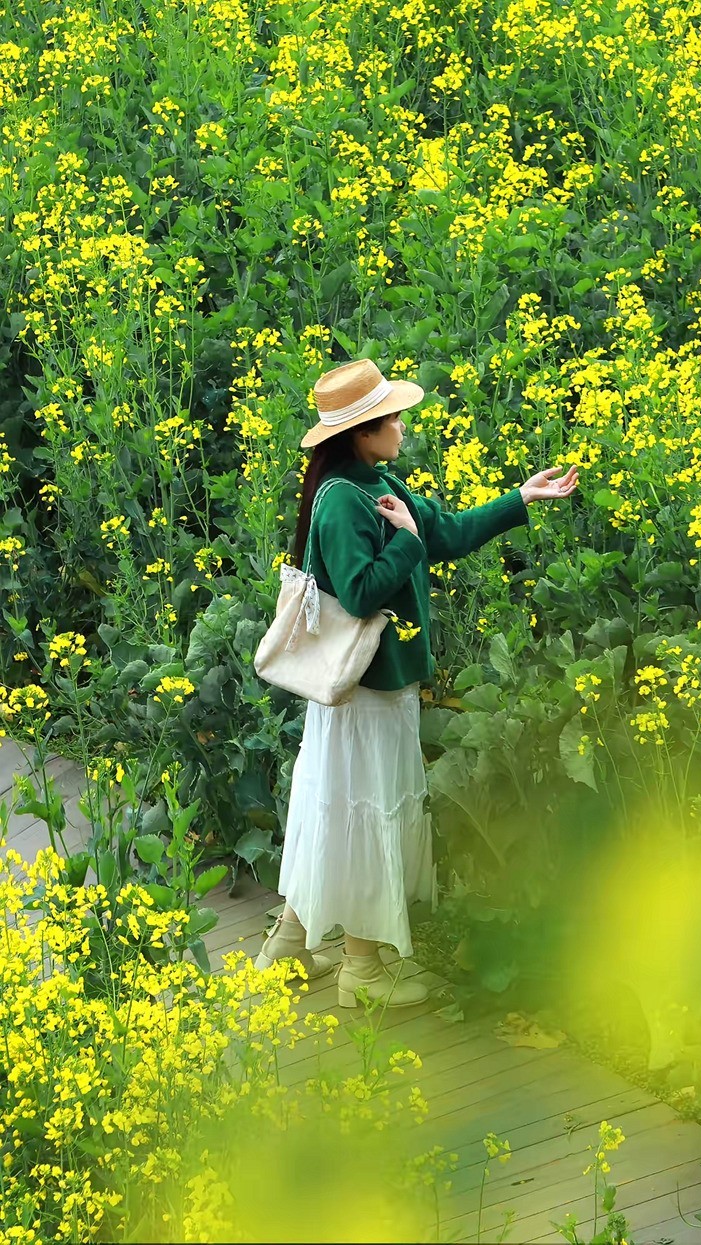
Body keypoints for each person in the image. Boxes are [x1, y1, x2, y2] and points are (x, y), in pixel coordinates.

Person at [255, 357, 579, 1008]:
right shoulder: (342, 501)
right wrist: (404, 543)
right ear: (362, 432)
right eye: (393, 417)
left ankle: (289, 946)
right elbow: (360, 590)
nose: (403, 425)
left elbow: (446, 533)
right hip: (365, 692)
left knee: (338, 807)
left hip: (369, 687)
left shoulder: (372, 481)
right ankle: (362, 970)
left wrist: (521, 498)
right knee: (364, 808)